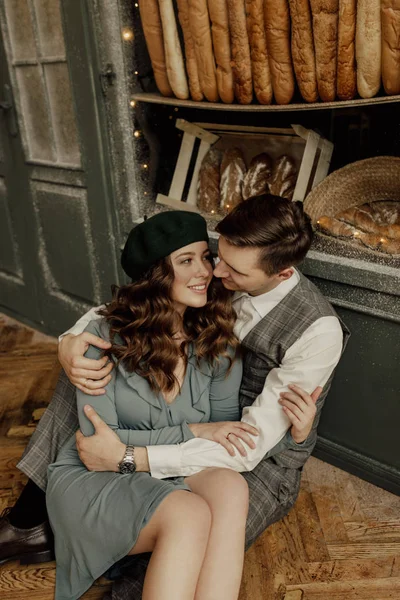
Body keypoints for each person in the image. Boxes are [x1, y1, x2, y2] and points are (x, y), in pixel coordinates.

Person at [0, 195, 349, 600]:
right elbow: (122, 310)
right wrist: (70, 341)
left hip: (260, 454)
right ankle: (28, 521)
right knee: (84, 369)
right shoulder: (220, 278)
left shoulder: (317, 332)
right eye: (211, 256)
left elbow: (244, 446)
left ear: (282, 272)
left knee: (194, 530)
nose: (213, 271)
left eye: (229, 268)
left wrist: (129, 457)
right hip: (186, 435)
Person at [47, 210, 257, 600]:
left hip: (162, 468)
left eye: (205, 257)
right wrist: (191, 432)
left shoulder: (218, 340)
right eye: (186, 261)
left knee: (230, 486)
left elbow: (221, 438)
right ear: (156, 274)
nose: (205, 271)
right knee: (188, 514)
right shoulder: (102, 339)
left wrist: (144, 450)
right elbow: (98, 448)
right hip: (97, 480)